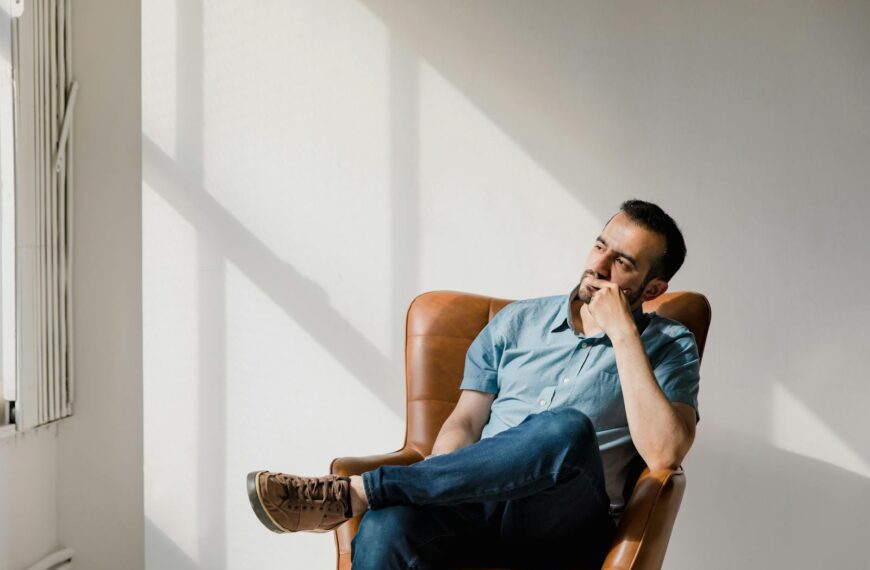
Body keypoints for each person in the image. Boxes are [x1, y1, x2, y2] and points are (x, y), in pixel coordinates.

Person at [246, 199, 700, 569]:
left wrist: (622, 333)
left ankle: (358, 492)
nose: (598, 265)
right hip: (476, 506)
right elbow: (464, 421)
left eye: (621, 262)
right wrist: (440, 485)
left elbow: (666, 452)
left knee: (565, 428)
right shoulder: (518, 322)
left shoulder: (668, 344)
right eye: (600, 246)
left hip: (561, 524)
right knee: (387, 525)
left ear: (653, 288)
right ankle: (376, 497)